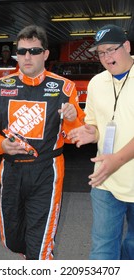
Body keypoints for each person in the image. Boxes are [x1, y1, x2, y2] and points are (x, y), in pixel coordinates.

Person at [0, 25, 85, 260]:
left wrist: (74, 119)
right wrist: (1, 145)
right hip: (12, 171)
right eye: (22, 51)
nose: (27, 56)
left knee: (40, 243)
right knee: (14, 238)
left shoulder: (65, 88)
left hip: (46, 170)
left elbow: (75, 135)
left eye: (34, 51)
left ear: (45, 54)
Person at [67, 24, 134, 260]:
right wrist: (92, 132)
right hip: (105, 180)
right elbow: (94, 121)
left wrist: (117, 159)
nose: (106, 57)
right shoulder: (96, 83)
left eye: (111, 50)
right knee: (103, 251)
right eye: (101, 52)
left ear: (126, 46)